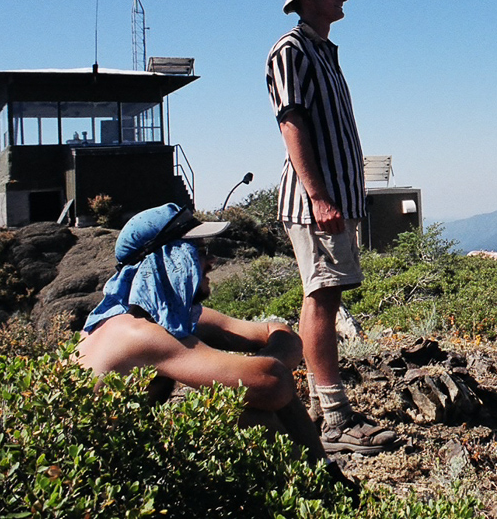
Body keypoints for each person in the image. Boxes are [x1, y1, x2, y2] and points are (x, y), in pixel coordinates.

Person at [75, 203, 354, 492]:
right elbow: (273, 384)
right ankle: (318, 494)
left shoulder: (155, 318)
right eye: (199, 251)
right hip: (96, 488)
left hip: (127, 470)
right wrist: (265, 373)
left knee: (254, 387)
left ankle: (327, 482)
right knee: (245, 408)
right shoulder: (137, 334)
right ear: (170, 261)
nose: (212, 261)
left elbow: (280, 334)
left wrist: (265, 372)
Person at [265, 0, 398, 456]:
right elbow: (291, 122)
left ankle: (325, 406)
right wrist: (319, 196)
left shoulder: (322, 51)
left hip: (333, 196)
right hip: (314, 199)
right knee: (322, 297)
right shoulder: (291, 49)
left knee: (326, 296)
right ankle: (336, 419)